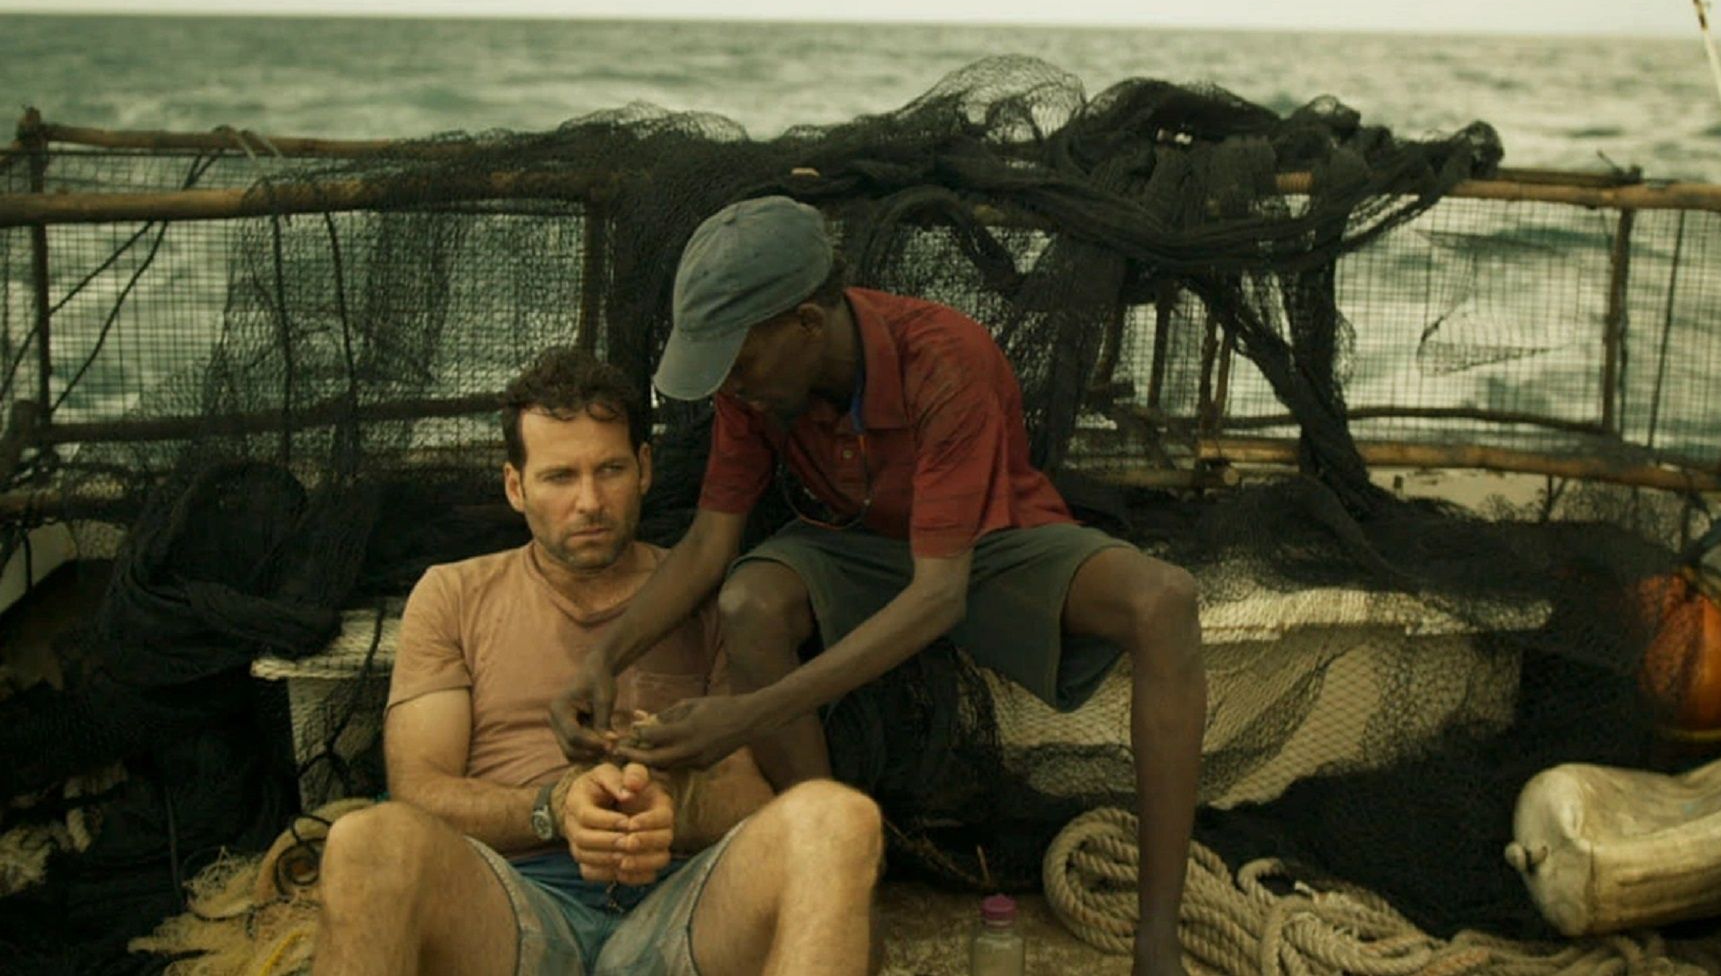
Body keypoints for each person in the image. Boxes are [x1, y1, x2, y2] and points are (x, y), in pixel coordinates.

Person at [551, 197, 1206, 975]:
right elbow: (708, 544)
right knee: (748, 602)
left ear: (804, 323)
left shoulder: (945, 357)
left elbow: (940, 595)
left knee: (1164, 602)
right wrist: (605, 654)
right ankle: (843, 903)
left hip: (979, 546)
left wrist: (747, 716)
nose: (729, 382)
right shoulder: (753, 387)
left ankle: (1157, 939)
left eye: (738, 357)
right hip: (852, 545)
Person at [314, 347, 883, 976]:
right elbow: (420, 792)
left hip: (684, 903)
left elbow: (749, 795)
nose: (589, 501)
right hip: (515, 905)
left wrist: (674, 807)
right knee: (365, 842)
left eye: (609, 469)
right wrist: (553, 809)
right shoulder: (453, 594)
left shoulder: (709, 595)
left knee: (837, 817)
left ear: (643, 468)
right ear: (515, 486)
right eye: (560, 477)